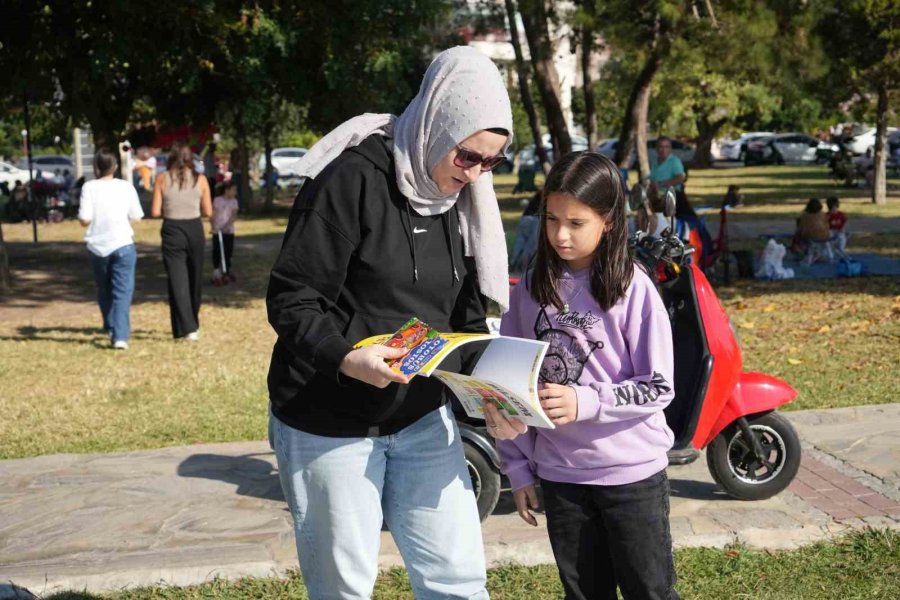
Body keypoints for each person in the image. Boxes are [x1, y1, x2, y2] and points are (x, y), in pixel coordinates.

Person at [265, 46, 514, 600]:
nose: (475, 174)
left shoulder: (461, 197)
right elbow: (292, 299)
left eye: (491, 162)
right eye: (467, 156)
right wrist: (346, 358)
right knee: (344, 589)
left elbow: (466, 316)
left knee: (458, 580)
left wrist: (493, 393)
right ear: (437, 125)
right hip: (328, 421)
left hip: (421, 418)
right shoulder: (350, 179)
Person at [486, 151, 679, 600]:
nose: (560, 234)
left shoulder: (633, 287)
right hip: (562, 479)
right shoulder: (532, 286)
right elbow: (510, 383)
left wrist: (585, 402)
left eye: (576, 223)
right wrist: (518, 468)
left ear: (609, 221)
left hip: (632, 477)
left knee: (649, 592)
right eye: (551, 219)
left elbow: (658, 386)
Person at [78, 148, 144, 350]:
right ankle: (120, 335)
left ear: (96, 167)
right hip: (123, 243)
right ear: (115, 166)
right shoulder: (126, 187)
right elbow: (137, 216)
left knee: (104, 288)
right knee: (122, 291)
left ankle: (111, 325)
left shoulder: (89, 187)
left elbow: (84, 218)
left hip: (98, 246)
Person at [151, 142, 212, 341]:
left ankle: (184, 327)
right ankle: (191, 322)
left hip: (172, 229)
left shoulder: (162, 178)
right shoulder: (200, 179)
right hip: (194, 229)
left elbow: (155, 211)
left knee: (177, 280)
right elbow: (208, 211)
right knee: (195, 278)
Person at [210, 181, 239, 286]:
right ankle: (216, 271)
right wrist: (213, 227)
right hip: (217, 231)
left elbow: (234, 215)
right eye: (233, 190)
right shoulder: (217, 200)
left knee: (228, 251)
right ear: (227, 190)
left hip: (229, 231)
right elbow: (212, 215)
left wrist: (227, 226)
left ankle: (227, 270)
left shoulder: (234, 201)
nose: (235, 192)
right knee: (217, 250)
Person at [510, 191, 541, 273]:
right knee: (530, 245)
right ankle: (524, 267)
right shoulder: (546, 197)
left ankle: (513, 264)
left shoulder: (536, 198)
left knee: (519, 244)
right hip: (535, 220)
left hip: (524, 219)